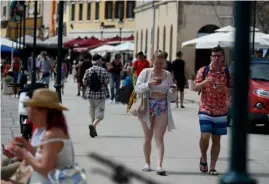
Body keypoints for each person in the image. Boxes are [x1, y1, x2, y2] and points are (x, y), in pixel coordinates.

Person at [4, 88, 74, 184]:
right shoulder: (40, 130)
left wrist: (24, 154)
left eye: (31, 106)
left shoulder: (53, 134)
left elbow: (47, 170)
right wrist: (14, 182)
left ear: (42, 111)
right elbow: (31, 162)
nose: (28, 109)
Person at [135, 51, 176, 176]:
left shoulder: (167, 74)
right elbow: (137, 88)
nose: (158, 65)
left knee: (160, 138)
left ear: (164, 62)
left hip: (162, 107)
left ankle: (159, 166)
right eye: (156, 63)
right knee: (148, 138)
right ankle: (147, 163)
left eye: (161, 63)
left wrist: (172, 90)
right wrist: (149, 84)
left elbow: (171, 95)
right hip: (147, 107)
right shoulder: (146, 72)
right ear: (152, 61)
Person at [193, 46, 231, 176]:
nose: (216, 58)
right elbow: (195, 86)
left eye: (219, 56)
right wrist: (205, 82)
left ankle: (213, 167)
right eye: (214, 55)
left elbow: (233, 90)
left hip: (221, 110)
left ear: (223, 57)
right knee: (205, 135)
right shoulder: (204, 70)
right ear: (211, 57)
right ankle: (203, 156)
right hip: (205, 108)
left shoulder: (227, 73)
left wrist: (225, 89)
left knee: (216, 140)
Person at [83, 54, 110, 138]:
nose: (102, 61)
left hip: (90, 94)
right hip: (100, 94)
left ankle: (94, 130)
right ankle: (93, 125)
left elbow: (84, 82)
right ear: (98, 60)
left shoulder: (88, 70)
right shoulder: (103, 70)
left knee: (92, 111)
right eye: (101, 59)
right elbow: (106, 82)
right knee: (100, 112)